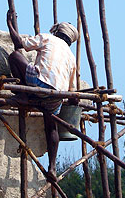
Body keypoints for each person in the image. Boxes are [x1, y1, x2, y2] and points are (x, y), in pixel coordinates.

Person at [6, 9, 78, 181]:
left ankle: (24, 94)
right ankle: (52, 167)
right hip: (55, 96)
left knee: (15, 56)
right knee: (51, 126)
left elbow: (19, 43)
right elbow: (72, 92)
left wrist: (9, 23)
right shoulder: (71, 57)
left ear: (57, 32)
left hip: (38, 84)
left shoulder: (48, 38)